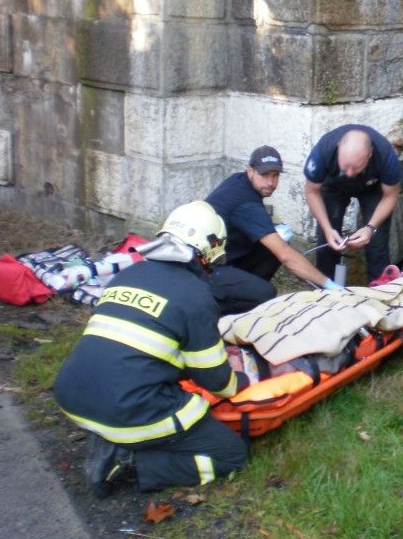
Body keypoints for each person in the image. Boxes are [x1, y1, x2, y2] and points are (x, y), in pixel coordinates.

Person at [53, 200, 250, 497]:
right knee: (231, 454)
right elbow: (217, 382)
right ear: (209, 251)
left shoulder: (127, 276)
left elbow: (137, 344)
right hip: (124, 410)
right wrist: (241, 379)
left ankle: (112, 439)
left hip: (72, 396)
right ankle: (128, 459)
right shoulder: (197, 296)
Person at [206, 145, 341, 314]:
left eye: (275, 176)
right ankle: (220, 314)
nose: (271, 182)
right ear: (250, 172)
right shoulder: (247, 205)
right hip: (206, 272)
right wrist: (328, 284)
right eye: (264, 175)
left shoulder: (238, 180)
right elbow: (286, 256)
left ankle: (243, 291)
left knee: (280, 238)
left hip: (220, 256)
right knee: (266, 293)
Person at [303, 125, 402, 284]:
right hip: (334, 185)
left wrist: (370, 227)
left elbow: (391, 195)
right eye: (346, 166)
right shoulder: (323, 151)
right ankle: (325, 292)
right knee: (327, 241)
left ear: (370, 154)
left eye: (356, 167)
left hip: (373, 188)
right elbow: (311, 191)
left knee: (377, 244)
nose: (349, 172)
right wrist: (328, 229)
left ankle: (380, 295)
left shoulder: (386, 156)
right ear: (338, 149)